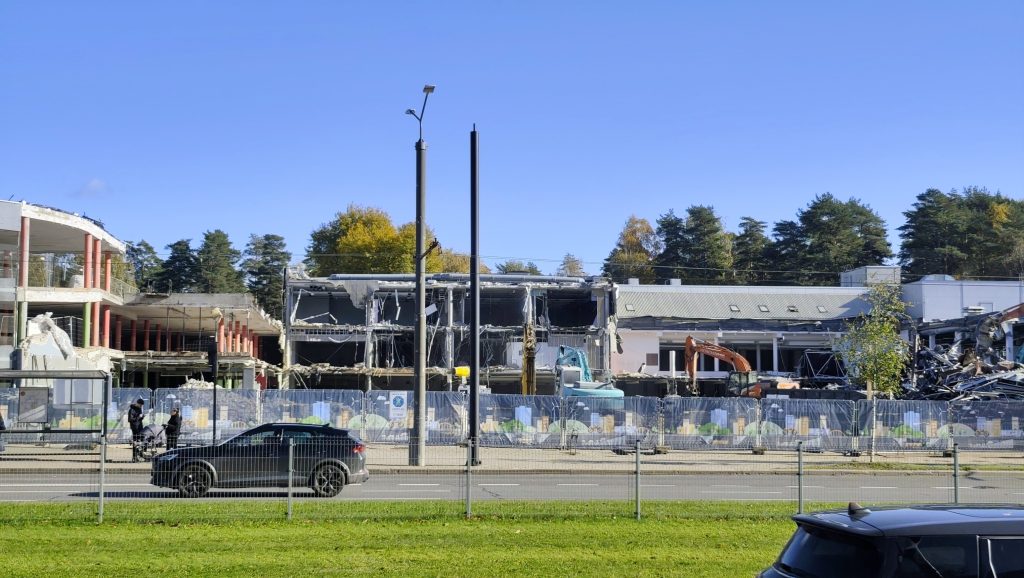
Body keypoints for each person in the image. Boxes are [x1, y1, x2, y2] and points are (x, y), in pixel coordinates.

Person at [128, 398, 145, 462]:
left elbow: (139, 419)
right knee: (135, 443)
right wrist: (138, 417)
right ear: (137, 403)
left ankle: (138, 456)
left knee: (140, 443)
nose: (141, 406)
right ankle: (134, 457)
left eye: (141, 406)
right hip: (135, 428)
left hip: (140, 427)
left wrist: (142, 417)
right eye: (140, 405)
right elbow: (130, 420)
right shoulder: (131, 410)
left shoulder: (139, 409)